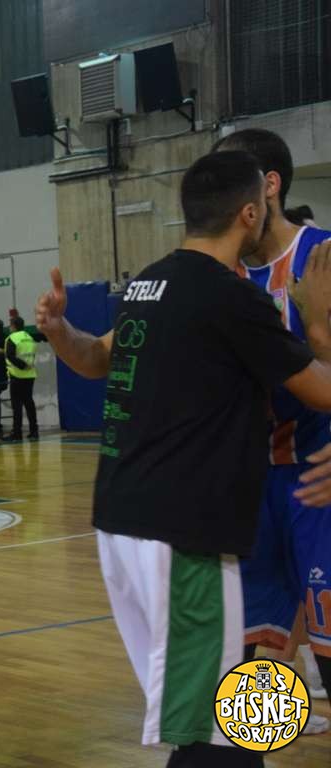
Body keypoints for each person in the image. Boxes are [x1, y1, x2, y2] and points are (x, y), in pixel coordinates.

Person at [35, 150, 331, 767]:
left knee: (225, 722)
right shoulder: (231, 297)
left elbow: (94, 359)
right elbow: (322, 391)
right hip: (183, 533)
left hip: (123, 523)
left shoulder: (148, 284)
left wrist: (59, 332)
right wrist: (320, 325)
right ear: (250, 212)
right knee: (216, 736)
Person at [213, 128, 331, 710]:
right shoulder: (219, 273)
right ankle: (257, 741)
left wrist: (319, 331)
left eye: (229, 184)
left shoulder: (323, 256)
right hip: (251, 487)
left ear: (269, 187)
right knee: (255, 663)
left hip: (317, 480)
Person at [3, 316, 39, 441]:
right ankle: (34, 431)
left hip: (17, 375)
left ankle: (17, 433)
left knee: (17, 406)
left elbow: (10, 356)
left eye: (10, 325)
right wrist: (26, 365)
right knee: (29, 403)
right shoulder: (29, 338)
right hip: (30, 375)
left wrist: (22, 365)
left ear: (13, 326)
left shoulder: (11, 338)